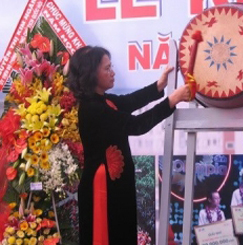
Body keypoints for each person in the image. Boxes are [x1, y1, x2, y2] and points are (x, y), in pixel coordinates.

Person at [68, 46, 191, 244]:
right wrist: (172, 100)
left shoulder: (103, 100)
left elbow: (130, 101)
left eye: (111, 66)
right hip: (103, 187)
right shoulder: (92, 108)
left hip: (115, 183)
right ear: (91, 74)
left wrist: (158, 86)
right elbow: (137, 125)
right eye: (107, 68)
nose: (113, 72)